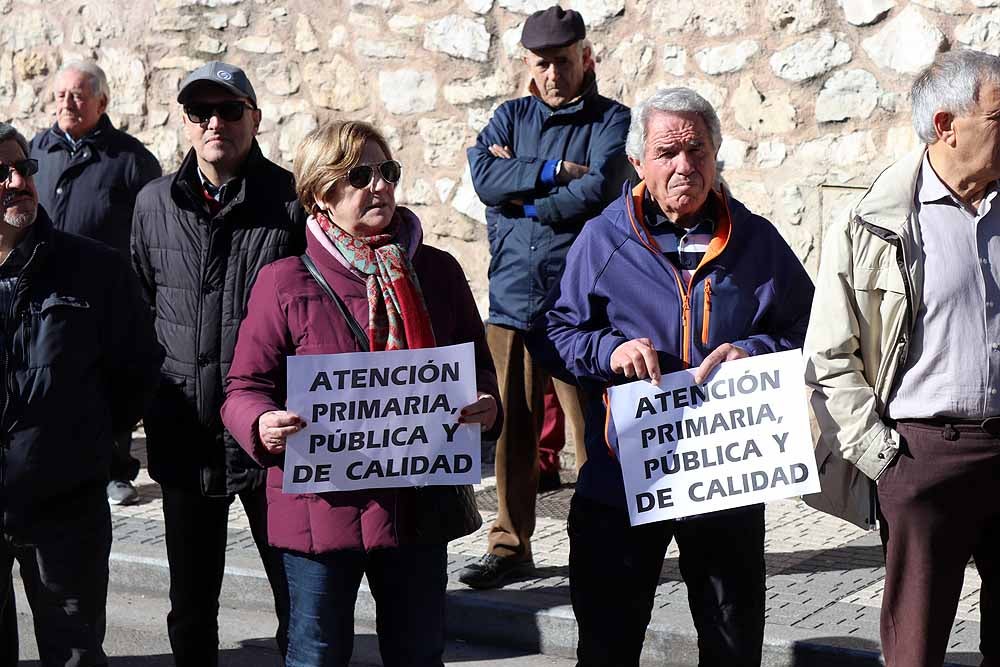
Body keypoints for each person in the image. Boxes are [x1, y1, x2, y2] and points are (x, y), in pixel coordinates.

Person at [545, 87, 814, 666]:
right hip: (621, 479)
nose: (684, 166)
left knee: (732, 643)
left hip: (726, 479)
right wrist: (610, 351)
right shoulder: (602, 239)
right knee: (608, 644)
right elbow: (559, 336)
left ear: (717, 156)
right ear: (638, 162)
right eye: (667, 152)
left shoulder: (758, 241)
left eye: (697, 150)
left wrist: (755, 349)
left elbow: (810, 331)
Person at [220, 119, 501, 667]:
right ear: (320, 194)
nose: (380, 186)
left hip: (418, 509)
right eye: (359, 175)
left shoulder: (437, 271)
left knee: (417, 653)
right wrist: (261, 422)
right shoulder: (284, 281)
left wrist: (486, 407)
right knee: (317, 654)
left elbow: (479, 371)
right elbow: (243, 387)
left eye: (386, 172)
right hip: (320, 513)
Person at [805, 48, 1000, 667]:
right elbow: (830, 358)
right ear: (947, 125)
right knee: (915, 648)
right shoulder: (872, 221)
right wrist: (885, 461)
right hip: (922, 457)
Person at [131, 61, 303, 666]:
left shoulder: (289, 201)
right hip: (184, 436)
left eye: (230, 111)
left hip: (270, 436)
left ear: (254, 119)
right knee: (192, 605)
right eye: (200, 112)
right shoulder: (152, 203)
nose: (215, 123)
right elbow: (140, 309)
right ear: (185, 123)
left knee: (298, 601)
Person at [460, 4, 632, 589]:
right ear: (528, 64)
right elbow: (484, 179)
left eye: (563, 61)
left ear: (586, 57)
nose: (553, 74)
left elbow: (603, 188)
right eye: (542, 64)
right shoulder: (508, 116)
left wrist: (525, 197)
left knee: (593, 433)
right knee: (512, 429)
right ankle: (509, 546)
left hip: (583, 306)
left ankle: (603, 542)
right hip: (511, 298)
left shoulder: (614, 120)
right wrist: (557, 169)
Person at [0, 122, 162, 665]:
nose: (19, 181)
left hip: (65, 507)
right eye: (2, 173)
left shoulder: (95, 269)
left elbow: (136, 371)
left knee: (74, 653)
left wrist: (87, 445)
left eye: (25, 168)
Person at [29, 59, 162, 506]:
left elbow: (149, 228)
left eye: (79, 94)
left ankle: (116, 470)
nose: (68, 102)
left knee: (107, 379)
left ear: (101, 102)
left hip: (102, 290)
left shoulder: (130, 159)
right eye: (62, 94)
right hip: (43, 289)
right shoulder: (37, 150)